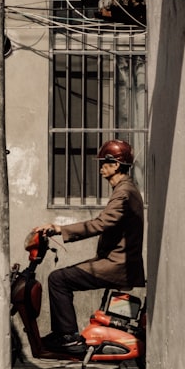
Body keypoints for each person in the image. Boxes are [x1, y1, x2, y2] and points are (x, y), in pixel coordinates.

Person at [33, 139, 145, 354]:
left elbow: (101, 223)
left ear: (116, 165)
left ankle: (67, 337)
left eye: (104, 162)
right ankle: (66, 335)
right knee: (62, 277)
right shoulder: (127, 189)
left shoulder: (123, 193)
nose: (100, 167)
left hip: (116, 264)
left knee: (58, 279)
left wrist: (60, 229)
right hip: (117, 261)